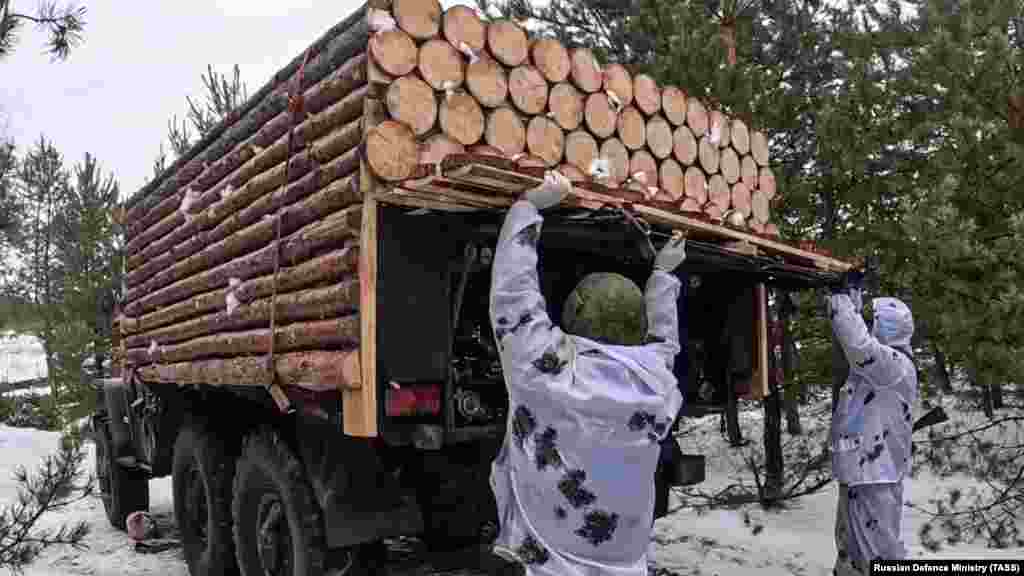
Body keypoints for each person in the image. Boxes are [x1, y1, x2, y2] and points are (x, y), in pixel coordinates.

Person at [486, 171, 687, 576]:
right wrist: (664, 274)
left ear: (574, 312)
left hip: (552, 560)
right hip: (624, 559)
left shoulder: (547, 370)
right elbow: (663, 342)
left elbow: (513, 297)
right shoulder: (658, 386)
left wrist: (528, 209)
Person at [828, 278, 918, 576]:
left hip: (874, 480)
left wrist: (840, 302)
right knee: (851, 557)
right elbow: (860, 346)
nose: (867, 323)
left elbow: (859, 347)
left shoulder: (895, 366)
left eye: (872, 319)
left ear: (886, 327)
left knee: (874, 560)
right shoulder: (885, 368)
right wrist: (850, 307)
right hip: (862, 477)